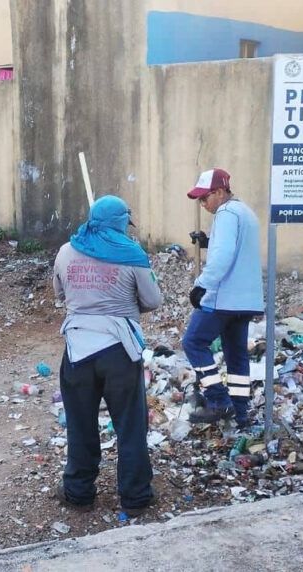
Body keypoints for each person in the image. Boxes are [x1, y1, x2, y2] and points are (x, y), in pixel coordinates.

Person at [52, 195, 163, 516]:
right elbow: (152, 300)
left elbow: (60, 294)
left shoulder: (66, 251)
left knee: (80, 424)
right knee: (130, 425)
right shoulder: (132, 254)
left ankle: (78, 492)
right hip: (119, 352)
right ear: (119, 223)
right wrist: (125, 304)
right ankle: (136, 496)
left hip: (77, 351)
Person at [182, 168, 264, 427]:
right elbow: (236, 248)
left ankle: (218, 400)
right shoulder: (246, 213)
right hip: (246, 299)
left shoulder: (226, 213)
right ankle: (240, 414)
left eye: (205, 198)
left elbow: (223, 256)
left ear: (219, 192)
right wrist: (208, 242)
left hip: (224, 297)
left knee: (193, 343)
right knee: (236, 354)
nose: (203, 204)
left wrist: (201, 285)